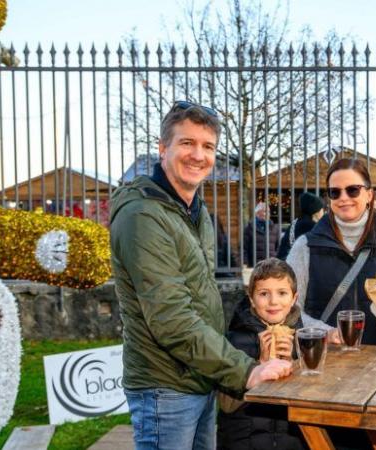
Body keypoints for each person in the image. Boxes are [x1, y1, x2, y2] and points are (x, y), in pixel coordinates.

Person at [110, 101, 291, 450]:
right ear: (163, 149)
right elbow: (171, 318)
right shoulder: (143, 216)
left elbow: (198, 294)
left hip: (200, 375)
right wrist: (244, 370)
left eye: (208, 146)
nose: (199, 155)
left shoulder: (195, 210)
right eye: (187, 143)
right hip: (166, 387)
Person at [287, 158, 376, 346]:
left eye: (352, 190)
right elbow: (290, 311)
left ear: (369, 194)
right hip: (324, 362)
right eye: (335, 192)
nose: (343, 197)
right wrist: (325, 333)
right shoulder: (305, 246)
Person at [217, 258, 305, 450]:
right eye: (264, 294)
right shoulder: (233, 341)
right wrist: (257, 367)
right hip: (244, 441)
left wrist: (294, 365)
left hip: (293, 441)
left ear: (294, 298)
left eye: (282, 293)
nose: (273, 301)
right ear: (251, 299)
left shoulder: (304, 340)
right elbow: (225, 405)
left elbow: (314, 398)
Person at [277, 192, 325, 260]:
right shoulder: (311, 227)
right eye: (322, 209)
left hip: (285, 264)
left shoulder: (296, 223)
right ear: (316, 211)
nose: (323, 212)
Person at [244, 202, 280, 267]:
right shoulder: (249, 228)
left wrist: (277, 261)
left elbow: (278, 247)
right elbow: (244, 247)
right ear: (257, 213)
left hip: (271, 265)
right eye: (265, 211)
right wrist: (245, 262)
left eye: (268, 212)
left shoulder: (275, 228)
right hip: (255, 265)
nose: (267, 214)